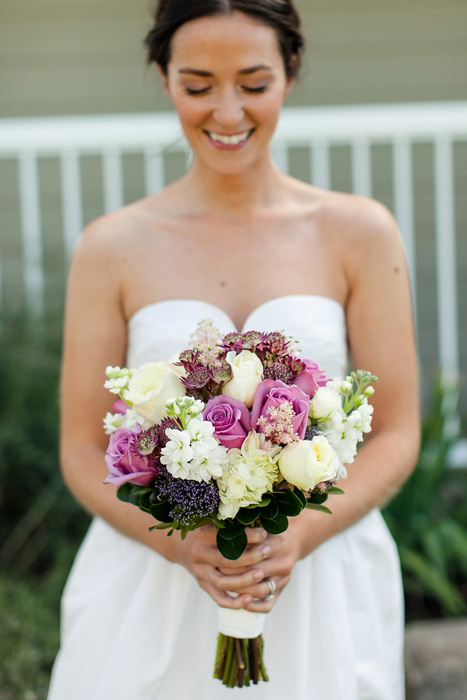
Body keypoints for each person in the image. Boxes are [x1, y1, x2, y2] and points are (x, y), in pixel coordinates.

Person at [47, 1, 420, 698]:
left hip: (319, 580)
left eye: (252, 84)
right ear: (163, 78)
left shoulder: (358, 233)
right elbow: (78, 447)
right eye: (198, 86)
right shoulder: (110, 247)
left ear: (290, 72)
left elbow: (395, 429)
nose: (226, 113)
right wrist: (181, 545)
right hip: (151, 584)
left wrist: (300, 537)